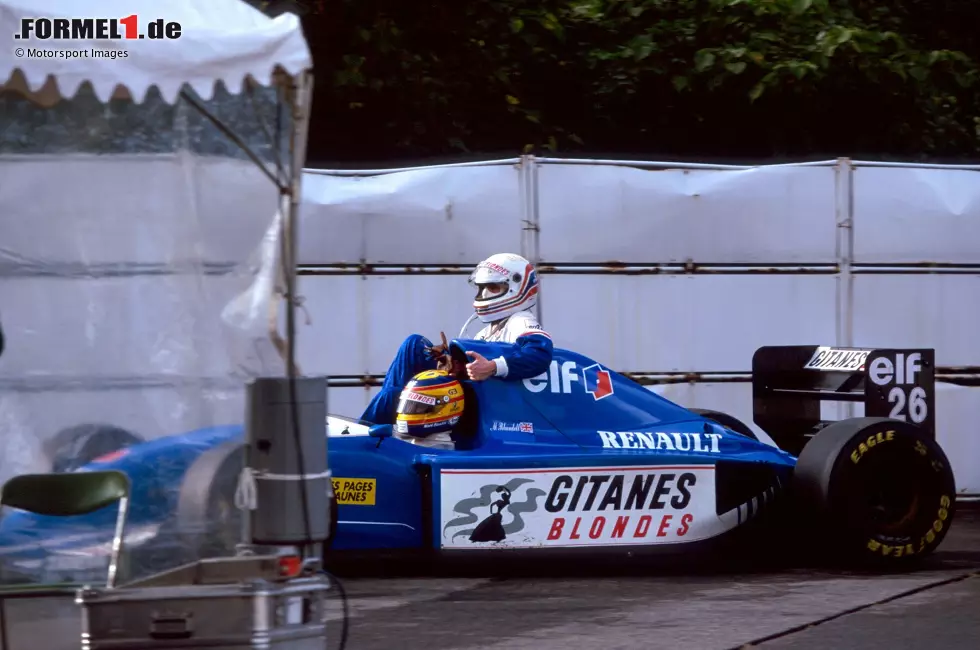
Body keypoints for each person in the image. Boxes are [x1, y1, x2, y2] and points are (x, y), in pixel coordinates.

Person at [360, 252, 553, 425]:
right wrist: (452, 364)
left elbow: (540, 353)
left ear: (516, 288)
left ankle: (367, 435)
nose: (484, 294)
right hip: (472, 394)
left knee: (393, 396)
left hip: (488, 406)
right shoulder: (486, 332)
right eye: (482, 288)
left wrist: (492, 367)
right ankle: (382, 429)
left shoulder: (520, 320)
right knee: (414, 344)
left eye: (492, 287)